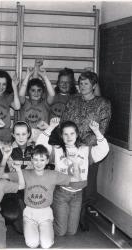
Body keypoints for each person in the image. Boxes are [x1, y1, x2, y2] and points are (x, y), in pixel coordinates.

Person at [36, 117, 109, 236]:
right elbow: (40, 147)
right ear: (61, 136)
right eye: (65, 134)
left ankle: (55, 219)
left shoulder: (85, 150)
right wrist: (50, 128)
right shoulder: (57, 150)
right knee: (60, 232)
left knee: (72, 232)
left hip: (78, 195)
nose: (69, 137)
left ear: (77, 134)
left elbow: (104, 150)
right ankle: (44, 222)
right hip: (61, 194)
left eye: (72, 133)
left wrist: (96, 131)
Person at [61, 71, 111, 230]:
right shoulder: (72, 101)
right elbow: (64, 122)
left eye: (86, 83)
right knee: (70, 181)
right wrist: (70, 144)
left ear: (94, 85)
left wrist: (82, 147)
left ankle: (82, 215)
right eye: (80, 83)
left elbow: (102, 129)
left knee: (87, 187)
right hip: (70, 147)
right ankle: (69, 214)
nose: (82, 87)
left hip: (90, 150)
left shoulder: (103, 104)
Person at [0, 144, 75, 248]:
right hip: (30, 213)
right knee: (32, 244)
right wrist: (5, 157)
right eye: (35, 160)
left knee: (46, 244)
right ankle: (32, 228)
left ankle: (45, 229)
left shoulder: (53, 174)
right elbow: (0, 175)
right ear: (31, 160)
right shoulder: (25, 173)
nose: (38, 163)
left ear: (47, 160)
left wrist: (75, 163)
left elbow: (74, 179)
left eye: (42, 160)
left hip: (46, 213)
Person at [0, 121, 34, 234]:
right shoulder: (7, 149)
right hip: (13, 190)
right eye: (17, 134)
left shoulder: (35, 148)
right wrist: (4, 158)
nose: (21, 137)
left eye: (24, 134)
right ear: (13, 134)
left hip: (31, 189)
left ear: (29, 134)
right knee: (11, 215)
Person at [18, 65, 55, 130]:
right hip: (25, 138)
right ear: (28, 91)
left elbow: (52, 94)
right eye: (33, 90)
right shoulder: (25, 103)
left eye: (39, 90)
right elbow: (21, 94)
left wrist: (45, 77)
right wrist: (28, 76)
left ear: (42, 92)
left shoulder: (45, 104)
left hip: (42, 138)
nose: (36, 93)